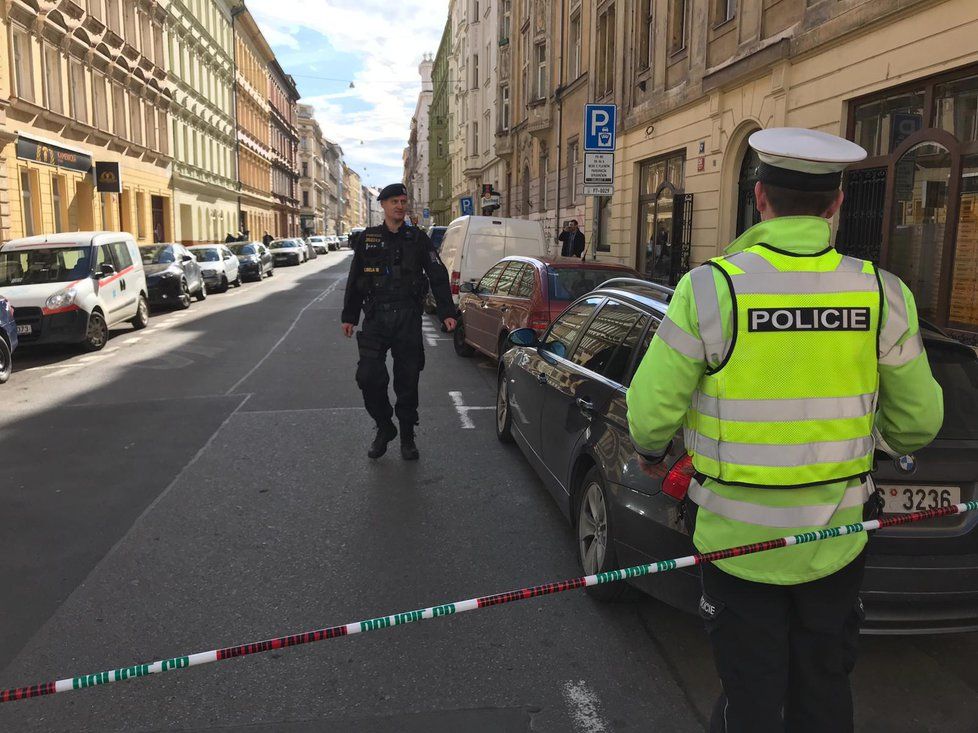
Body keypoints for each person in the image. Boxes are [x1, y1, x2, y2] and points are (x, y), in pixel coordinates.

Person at [625, 128, 944, 733]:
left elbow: (649, 414)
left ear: (760, 198)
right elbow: (919, 424)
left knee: (749, 696)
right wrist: (877, 441)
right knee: (824, 690)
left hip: (735, 546)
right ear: (837, 203)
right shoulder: (881, 292)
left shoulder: (709, 289)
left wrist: (649, 452)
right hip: (837, 540)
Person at [341, 183, 457, 461]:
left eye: (403, 201)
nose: (400, 205)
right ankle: (384, 426)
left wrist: (447, 311)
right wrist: (349, 316)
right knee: (368, 377)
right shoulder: (368, 238)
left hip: (407, 317)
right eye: (394, 201)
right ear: (383, 205)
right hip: (376, 317)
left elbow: (437, 274)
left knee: (407, 381)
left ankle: (407, 435)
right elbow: (355, 279)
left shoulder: (418, 239)